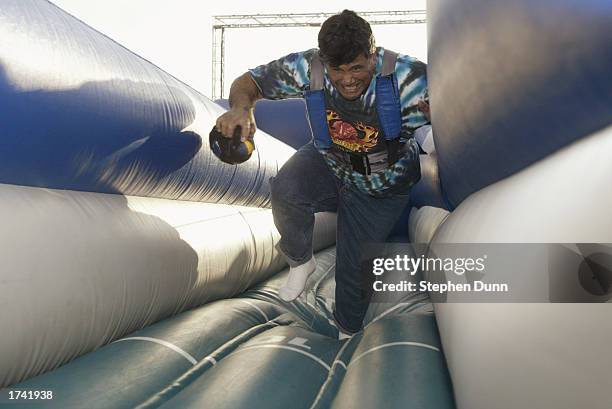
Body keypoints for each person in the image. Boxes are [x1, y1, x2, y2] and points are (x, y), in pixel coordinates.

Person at [215, 10, 430, 338]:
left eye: (357, 67)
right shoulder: (307, 67)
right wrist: (242, 108)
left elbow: (467, 108)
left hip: (380, 185)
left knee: (353, 277)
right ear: (323, 61)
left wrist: (441, 115)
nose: (347, 80)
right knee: (285, 189)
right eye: (338, 70)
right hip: (331, 161)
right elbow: (248, 83)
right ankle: (301, 261)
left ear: (373, 55)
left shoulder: (410, 79)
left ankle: (346, 333)